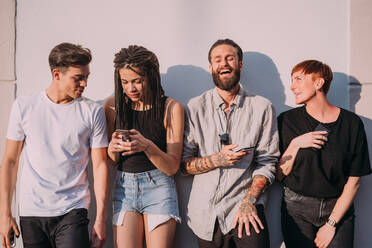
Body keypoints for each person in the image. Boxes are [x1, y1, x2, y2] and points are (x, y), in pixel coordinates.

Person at [0, 42, 110, 248]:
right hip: (32, 211)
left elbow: (100, 165)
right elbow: (10, 161)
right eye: (78, 78)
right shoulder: (24, 106)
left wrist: (100, 219)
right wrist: (4, 214)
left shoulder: (92, 111)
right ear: (57, 74)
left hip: (73, 209)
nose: (84, 83)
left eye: (87, 77)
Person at [181, 38, 279, 248]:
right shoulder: (195, 107)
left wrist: (249, 201)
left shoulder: (262, 108)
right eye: (218, 60)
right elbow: (183, 165)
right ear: (211, 68)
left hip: (245, 208)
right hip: (205, 215)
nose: (224, 63)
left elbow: (268, 162)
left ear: (239, 64)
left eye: (229, 58)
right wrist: (217, 159)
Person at [276, 60, 371, 248]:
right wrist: (295, 144)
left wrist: (331, 223)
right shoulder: (287, 121)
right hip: (296, 209)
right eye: (292, 79)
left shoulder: (352, 124)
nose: (292, 86)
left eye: (298, 79)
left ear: (318, 83)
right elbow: (279, 174)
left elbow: (355, 180)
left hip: (338, 209)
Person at [104, 45, 184, 248]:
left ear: (151, 77)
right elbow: (112, 161)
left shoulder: (171, 108)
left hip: (158, 186)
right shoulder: (112, 106)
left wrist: (147, 146)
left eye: (137, 81)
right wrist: (112, 149)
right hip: (124, 187)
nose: (130, 88)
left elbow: (172, 166)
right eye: (124, 82)